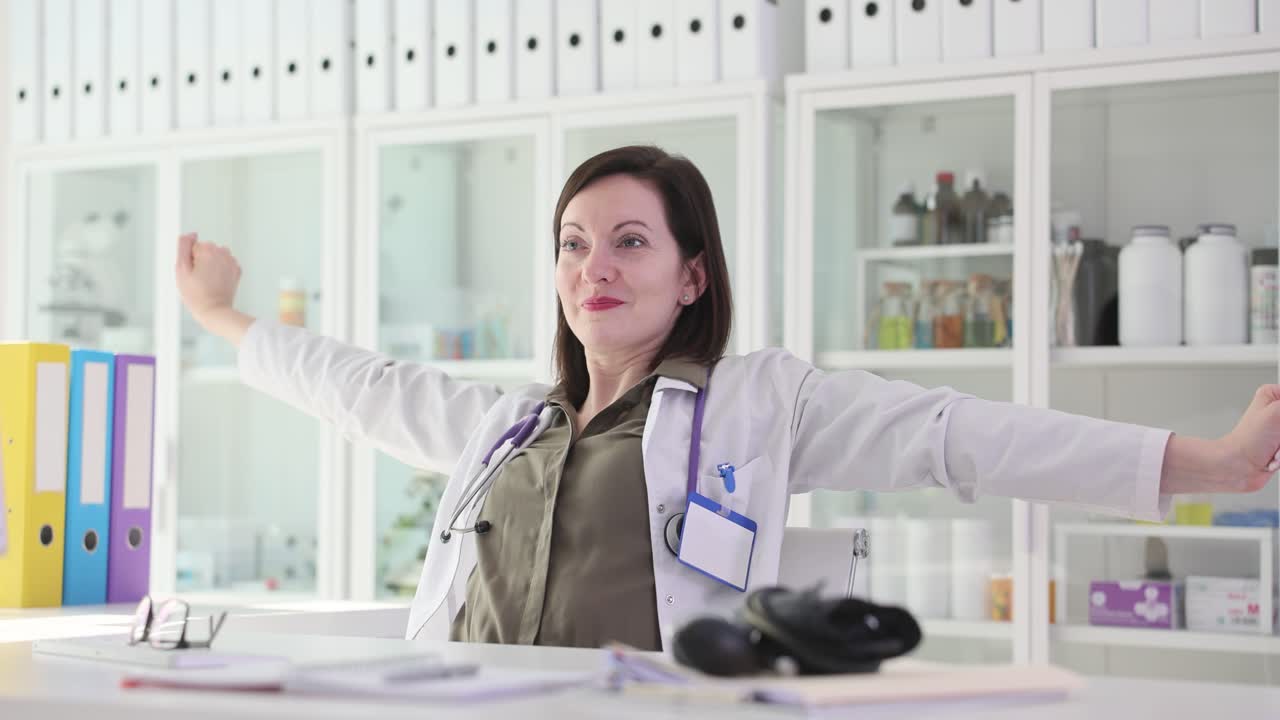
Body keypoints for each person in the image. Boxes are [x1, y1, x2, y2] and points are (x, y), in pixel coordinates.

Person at [176, 145, 1279, 651]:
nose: (591, 267)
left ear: (690, 273)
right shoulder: (504, 424)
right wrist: (223, 318)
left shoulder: (757, 406)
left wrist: (1212, 464)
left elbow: (963, 437)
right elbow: (355, 388)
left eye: (627, 241)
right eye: (571, 244)